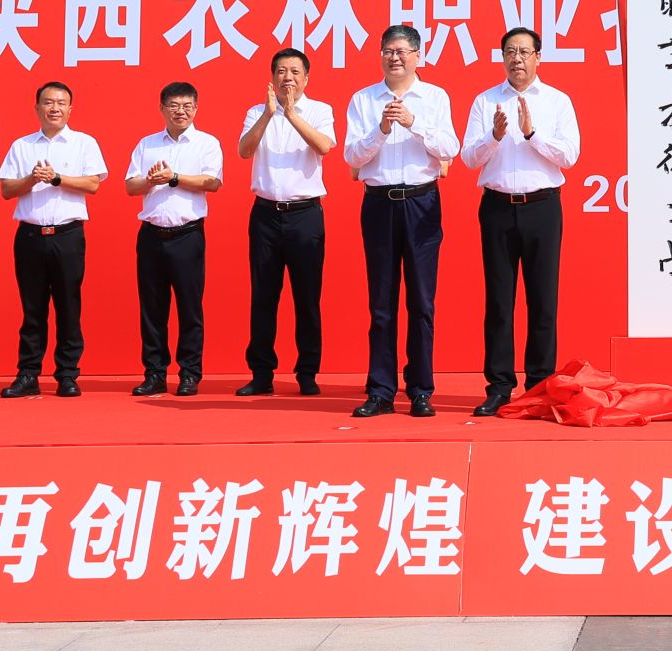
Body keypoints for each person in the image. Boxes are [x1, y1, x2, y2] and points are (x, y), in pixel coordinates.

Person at [461, 26, 581, 416]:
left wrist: (532, 134)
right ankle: (499, 385)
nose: (517, 59)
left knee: (543, 299)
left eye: (524, 52)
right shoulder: (485, 101)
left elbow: (570, 156)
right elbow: (468, 158)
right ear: (502, 58)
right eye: (510, 51)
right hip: (497, 208)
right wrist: (494, 137)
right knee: (499, 300)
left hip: (542, 207)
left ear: (538, 57)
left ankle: (540, 385)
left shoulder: (558, 101)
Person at [343, 24, 459, 419]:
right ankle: (380, 390)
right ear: (380, 55)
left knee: (421, 301)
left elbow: (450, 148)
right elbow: (352, 157)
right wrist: (381, 130)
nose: (394, 58)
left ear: (417, 56)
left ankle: (421, 389)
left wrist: (413, 123)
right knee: (381, 303)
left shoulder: (435, 97)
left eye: (402, 51)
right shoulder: (363, 99)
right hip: (379, 204)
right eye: (388, 51)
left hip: (421, 202)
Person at [0, 82, 107, 398]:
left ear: (70, 109)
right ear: (37, 108)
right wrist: (32, 178)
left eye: (61, 102)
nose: (54, 108)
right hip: (30, 236)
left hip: (67, 236)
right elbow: (6, 190)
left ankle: (67, 374)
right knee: (32, 309)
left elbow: (93, 184)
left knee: (68, 306)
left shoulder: (84, 143)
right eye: (48, 102)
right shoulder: (22, 146)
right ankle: (28, 373)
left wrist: (57, 178)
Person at [236, 47, 336, 396]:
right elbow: (244, 151)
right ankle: (262, 373)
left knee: (307, 297)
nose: (287, 78)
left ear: (306, 78)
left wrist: (292, 114)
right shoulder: (257, 111)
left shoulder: (320, 111)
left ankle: (307, 372)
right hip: (265, 214)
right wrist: (269, 114)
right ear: (272, 77)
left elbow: (324, 146)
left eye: (294, 71)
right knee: (263, 296)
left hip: (305, 215)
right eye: (281, 71)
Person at [126, 81, 223, 397]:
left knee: (189, 308)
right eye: (174, 105)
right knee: (152, 308)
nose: (180, 111)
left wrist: (174, 178)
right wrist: (150, 180)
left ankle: (189, 374)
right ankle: (154, 373)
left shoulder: (206, 143)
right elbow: (130, 186)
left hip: (187, 235)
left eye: (187, 106)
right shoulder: (147, 145)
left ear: (196, 108)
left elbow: (212, 182)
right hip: (151, 235)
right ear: (162, 108)